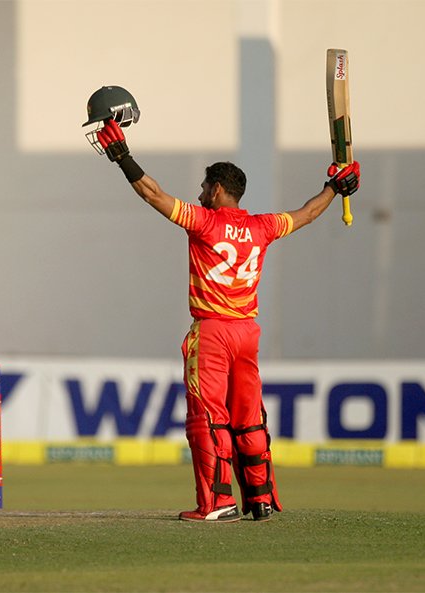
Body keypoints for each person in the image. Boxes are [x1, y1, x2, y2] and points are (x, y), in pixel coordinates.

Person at [84, 88, 361, 522]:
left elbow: (153, 195)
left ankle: (217, 502)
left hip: (212, 332)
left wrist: (123, 156)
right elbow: (307, 213)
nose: (197, 195)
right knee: (248, 417)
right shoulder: (262, 226)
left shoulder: (204, 222)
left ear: (216, 189)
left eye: (202, 188)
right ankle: (262, 498)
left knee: (207, 417)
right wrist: (335, 185)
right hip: (247, 332)